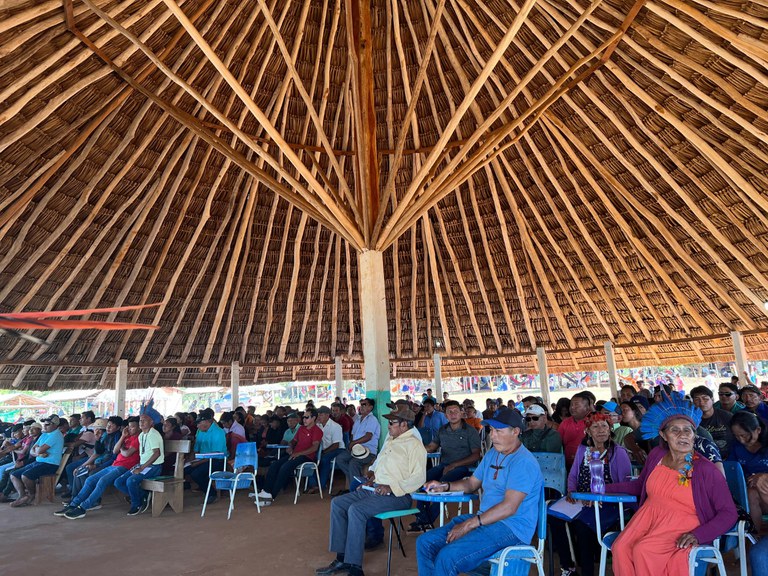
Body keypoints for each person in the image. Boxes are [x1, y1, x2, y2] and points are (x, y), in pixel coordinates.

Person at [607, 394, 737, 575]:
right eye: (675, 430)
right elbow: (640, 486)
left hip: (683, 523)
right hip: (647, 518)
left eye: (687, 430)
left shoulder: (705, 469)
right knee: (620, 547)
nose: (682, 435)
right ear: (663, 435)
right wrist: (603, 489)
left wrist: (698, 535)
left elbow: (729, 513)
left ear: (694, 435)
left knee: (644, 550)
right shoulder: (656, 456)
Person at [415, 409, 543, 576]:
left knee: (448, 556)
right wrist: (444, 486)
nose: (492, 435)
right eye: (491, 430)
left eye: (498, 431)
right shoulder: (492, 454)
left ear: (516, 431)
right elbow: (471, 483)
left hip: (511, 527)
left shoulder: (524, 462)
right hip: (485, 520)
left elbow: (509, 507)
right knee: (425, 543)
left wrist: (469, 524)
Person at [316, 406, 426, 576]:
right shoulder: (391, 440)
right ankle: (342, 558)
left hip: (398, 495)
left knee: (356, 510)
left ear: (404, 424)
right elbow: (378, 464)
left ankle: (354, 567)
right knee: (338, 503)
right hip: (375, 488)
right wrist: (371, 478)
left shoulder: (415, 445)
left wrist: (391, 487)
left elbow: (419, 478)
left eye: (392, 422)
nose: (388, 426)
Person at [551, 413, 631, 576]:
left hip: (609, 501)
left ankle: (587, 572)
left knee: (583, 525)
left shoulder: (618, 452)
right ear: (588, 431)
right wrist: (572, 491)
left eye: (604, 426)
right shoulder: (583, 450)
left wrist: (597, 495)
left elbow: (625, 484)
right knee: (554, 518)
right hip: (582, 498)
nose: (601, 430)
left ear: (610, 429)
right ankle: (568, 567)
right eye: (595, 427)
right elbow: (573, 474)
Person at [410, 400, 481, 531]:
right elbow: (431, 447)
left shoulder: (470, 431)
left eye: (456, 411)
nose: (453, 414)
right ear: (445, 415)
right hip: (445, 465)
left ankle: (427, 521)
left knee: (443, 484)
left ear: (461, 413)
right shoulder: (443, 430)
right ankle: (421, 518)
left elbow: (476, 455)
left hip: (464, 467)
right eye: (449, 412)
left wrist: (454, 465)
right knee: (423, 480)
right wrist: (414, 449)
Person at [58, 416, 141, 519]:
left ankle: (83, 507)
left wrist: (122, 448)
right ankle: (73, 504)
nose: (129, 429)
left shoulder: (138, 438)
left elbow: (126, 454)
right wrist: (123, 437)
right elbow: (115, 450)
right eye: (129, 426)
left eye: (132, 427)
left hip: (124, 467)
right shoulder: (126, 437)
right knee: (90, 480)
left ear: (139, 428)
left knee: (102, 481)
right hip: (114, 465)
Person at [257, 407, 323, 504]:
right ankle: (266, 491)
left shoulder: (317, 430)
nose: (304, 419)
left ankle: (272, 496)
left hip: (306, 457)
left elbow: (314, 448)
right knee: (275, 465)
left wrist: (298, 453)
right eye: (303, 417)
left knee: (285, 467)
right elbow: (293, 441)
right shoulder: (301, 429)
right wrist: (290, 446)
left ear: (313, 418)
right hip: (295, 454)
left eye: (307, 417)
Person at [9, 415, 64, 507]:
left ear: (55, 425)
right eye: (44, 424)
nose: (44, 426)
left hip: (50, 464)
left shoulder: (56, 435)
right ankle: (22, 496)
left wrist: (38, 450)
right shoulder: (44, 434)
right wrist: (39, 453)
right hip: (39, 462)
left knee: (26, 476)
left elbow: (39, 450)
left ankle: (31, 496)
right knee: (14, 475)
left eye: (47, 424)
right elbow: (32, 451)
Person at [115, 413, 164, 515]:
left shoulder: (153, 434)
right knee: (118, 482)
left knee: (131, 481)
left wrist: (141, 468)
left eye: (144, 420)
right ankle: (143, 495)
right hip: (142, 465)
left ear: (151, 422)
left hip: (154, 466)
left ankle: (136, 504)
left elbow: (157, 453)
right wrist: (139, 466)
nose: (141, 422)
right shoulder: (141, 435)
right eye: (140, 420)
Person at [728, 410, 768, 531]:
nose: (741, 440)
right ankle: (755, 534)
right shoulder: (736, 447)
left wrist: (764, 476)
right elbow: (732, 470)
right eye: (737, 436)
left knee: (761, 484)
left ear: (758, 430)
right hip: (751, 493)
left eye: (744, 435)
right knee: (752, 492)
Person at [333, 398, 380, 491]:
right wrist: (352, 444)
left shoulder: (372, 420)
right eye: (361, 404)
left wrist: (353, 443)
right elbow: (352, 435)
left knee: (353, 463)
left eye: (364, 405)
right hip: (356, 449)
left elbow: (368, 436)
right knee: (340, 459)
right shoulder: (358, 419)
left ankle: (355, 490)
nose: (361, 407)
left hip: (368, 451)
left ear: (370, 407)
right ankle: (356, 481)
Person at [185, 408, 227, 504]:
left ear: (207, 422)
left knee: (196, 473)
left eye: (199, 423)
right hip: (202, 459)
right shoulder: (200, 431)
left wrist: (196, 463)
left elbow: (215, 454)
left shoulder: (218, 432)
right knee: (184, 469)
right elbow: (196, 449)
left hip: (217, 460)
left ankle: (212, 494)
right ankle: (198, 487)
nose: (197, 426)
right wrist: (188, 461)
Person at [306, 406, 344, 494]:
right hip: (323, 449)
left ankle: (321, 485)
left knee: (324, 459)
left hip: (337, 449)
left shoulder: (335, 426)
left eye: (321, 415)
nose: (318, 417)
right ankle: (313, 484)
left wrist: (322, 452)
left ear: (327, 415)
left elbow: (336, 445)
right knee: (310, 457)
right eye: (318, 414)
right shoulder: (317, 425)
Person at [691, 385, 733, 459]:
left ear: (712, 400)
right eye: (697, 399)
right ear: (693, 402)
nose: (701, 402)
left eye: (705, 399)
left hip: (730, 457)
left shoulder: (727, 416)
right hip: (706, 459)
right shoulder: (691, 421)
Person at [559, 392, 594, 468]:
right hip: (569, 465)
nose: (572, 407)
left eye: (576, 405)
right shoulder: (565, 423)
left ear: (587, 408)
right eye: (571, 405)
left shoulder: (594, 422)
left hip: (590, 464)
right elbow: (559, 443)